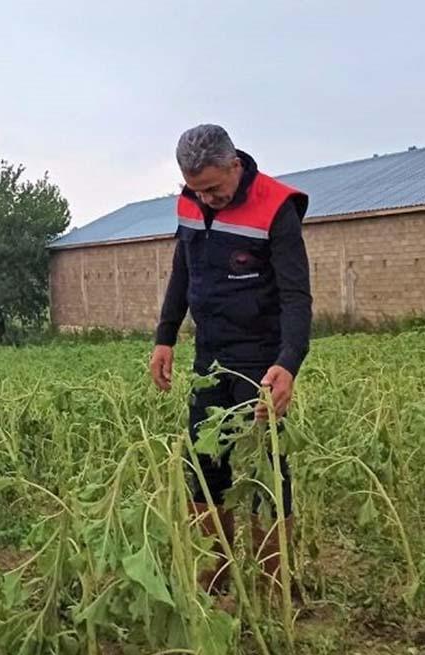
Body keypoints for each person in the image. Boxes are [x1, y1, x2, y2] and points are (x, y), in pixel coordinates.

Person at [149, 124, 312, 593]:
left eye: (215, 189)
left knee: (265, 467)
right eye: (197, 191)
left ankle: (273, 583)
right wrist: (165, 337)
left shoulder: (275, 206)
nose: (207, 200)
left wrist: (289, 362)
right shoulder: (191, 201)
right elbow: (183, 271)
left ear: (235, 166)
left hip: (262, 357)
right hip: (210, 355)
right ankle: (214, 572)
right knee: (205, 465)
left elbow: (297, 297)